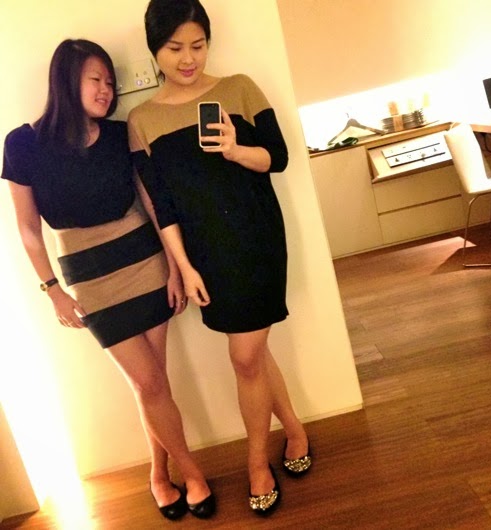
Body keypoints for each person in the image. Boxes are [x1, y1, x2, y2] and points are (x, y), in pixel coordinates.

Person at [1, 38, 215, 521]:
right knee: (150, 382)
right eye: (95, 79)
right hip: (90, 279)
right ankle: (192, 473)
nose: (106, 90)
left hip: (146, 263)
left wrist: (175, 267)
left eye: (110, 82)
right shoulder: (23, 144)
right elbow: (27, 228)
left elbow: (153, 202)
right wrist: (52, 290)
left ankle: (160, 475)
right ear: (66, 80)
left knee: (152, 385)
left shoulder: (121, 133)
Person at [128, 0, 312, 516]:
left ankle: (257, 463)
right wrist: (183, 267)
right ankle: (294, 429)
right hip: (206, 256)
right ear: (155, 50)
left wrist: (235, 149)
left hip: (256, 240)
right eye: (174, 48)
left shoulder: (239, 88)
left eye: (198, 45)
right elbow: (162, 205)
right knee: (252, 352)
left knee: (245, 357)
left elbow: (278, 157)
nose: (188, 58)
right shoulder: (142, 120)